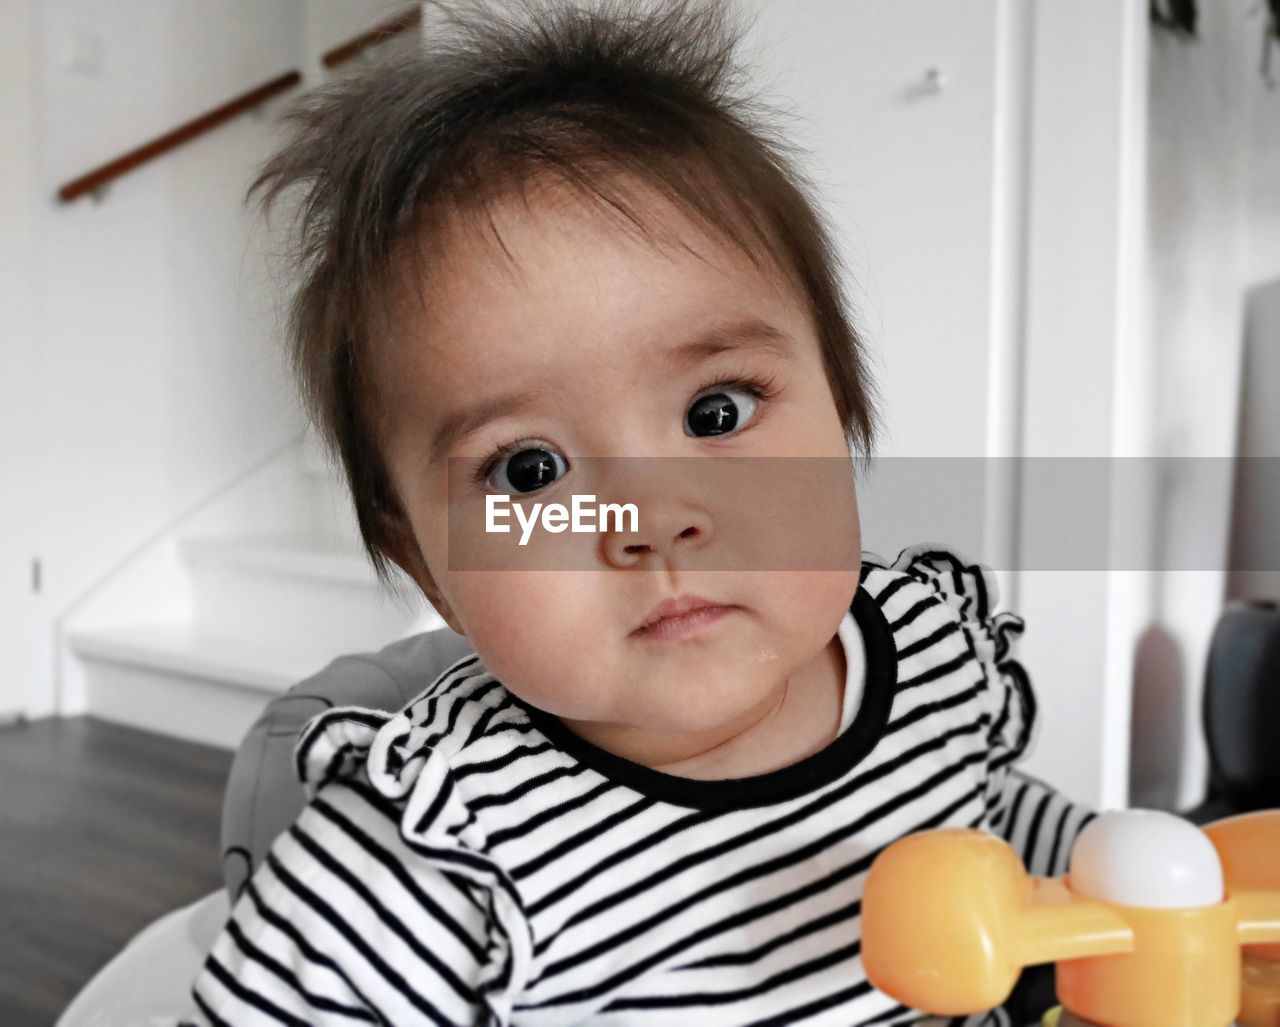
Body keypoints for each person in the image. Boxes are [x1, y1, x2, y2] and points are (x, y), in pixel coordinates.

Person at [184, 0, 1093, 1022]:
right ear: (428, 561)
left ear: (839, 411)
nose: (652, 520)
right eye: (528, 470)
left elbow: (985, 819)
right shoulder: (435, 850)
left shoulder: (927, 656)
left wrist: (1113, 875)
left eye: (716, 411)